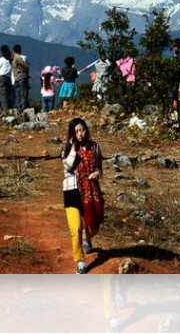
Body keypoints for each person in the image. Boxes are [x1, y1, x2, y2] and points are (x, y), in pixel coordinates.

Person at [62, 117, 104, 274]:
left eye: (82, 130)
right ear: (72, 134)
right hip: (72, 191)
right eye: (76, 131)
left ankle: (88, 237)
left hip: (91, 191)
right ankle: (79, 260)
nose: (80, 134)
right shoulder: (67, 149)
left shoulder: (95, 147)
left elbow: (99, 167)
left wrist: (97, 173)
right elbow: (67, 165)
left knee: (94, 223)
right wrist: (73, 147)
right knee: (76, 228)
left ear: (86, 130)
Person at [0, 45, 14, 112]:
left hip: (2, 78)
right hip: (9, 79)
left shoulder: (1, 60)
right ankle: (11, 109)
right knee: (8, 95)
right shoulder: (11, 60)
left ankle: (5, 111)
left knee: (3, 95)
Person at [11, 44, 31, 112]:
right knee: (23, 94)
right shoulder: (19, 57)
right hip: (22, 77)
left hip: (16, 78)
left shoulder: (12, 58)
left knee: (17, 94)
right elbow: (26, 65)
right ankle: (23, 109)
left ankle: (18, 108)